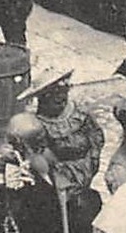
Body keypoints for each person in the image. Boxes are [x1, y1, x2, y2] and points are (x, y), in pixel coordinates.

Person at [31, 72, 105, 203]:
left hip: (85, 168)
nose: (62, 105)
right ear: (44, 101)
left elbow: (96, 136)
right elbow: (41, 158)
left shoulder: (79, 114)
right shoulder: (38, 126)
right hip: (59, 180)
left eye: (63, 100)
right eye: (56, 102)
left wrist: (91, 160)